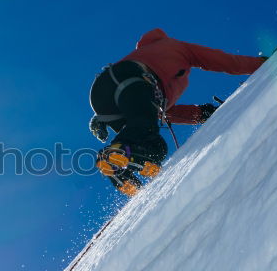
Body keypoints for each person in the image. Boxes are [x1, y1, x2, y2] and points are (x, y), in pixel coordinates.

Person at [89, 28, 267, 191]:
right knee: (146, 130)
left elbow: (160, 112)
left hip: (103, 95)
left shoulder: (141, 55)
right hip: (134, 78)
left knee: (154, 144)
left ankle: (121, 167)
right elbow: (227, 61)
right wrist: (261, 63)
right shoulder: (177, 48)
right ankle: (120, 153)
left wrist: (199, 114)